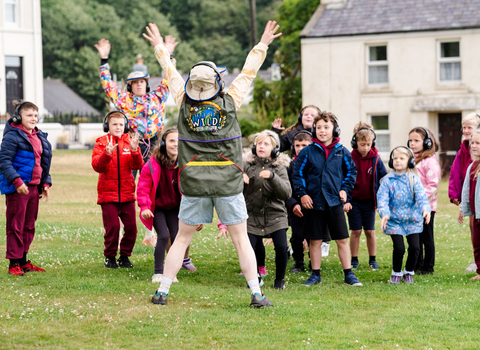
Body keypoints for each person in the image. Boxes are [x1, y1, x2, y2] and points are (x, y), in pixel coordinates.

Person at [143, 21, 281, 307]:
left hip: (193, 181)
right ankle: (256, 293)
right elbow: (248, 71)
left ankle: (162, 292)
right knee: (241, 238)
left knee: (181, 238)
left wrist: (159, 45)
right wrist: (263, 43)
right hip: (227, 181)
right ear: (217, 82)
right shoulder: (230, 100)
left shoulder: (183, 100)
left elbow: (169, 71)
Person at [95, 36, 178, 246]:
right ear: (130, 86)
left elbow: (170, 77)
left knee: (156, 185)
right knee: (128, 183)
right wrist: (104, 59)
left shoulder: (158, 96)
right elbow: (108, 85)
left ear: (146, 84)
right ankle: (124, 225)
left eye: (142, 82)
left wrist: (168, 54)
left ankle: (154, 231)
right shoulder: (124, 99)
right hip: (132, 143)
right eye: (135, 83)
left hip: (156, 144)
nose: (139, 85)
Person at [292, 111, 362, 287]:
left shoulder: (342, 152)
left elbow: (351, 172)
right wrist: (303, 194)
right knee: (314, 240)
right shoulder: (307, 152)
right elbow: (297, 174)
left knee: (341, 239)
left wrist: (345, 190)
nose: (322, 131)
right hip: (313, 202)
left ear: (335, 129)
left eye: (326, 127)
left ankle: (348, 274)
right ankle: (315, 274)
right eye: (319, 127)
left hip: (334, 202)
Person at [137, 127, 201, 283]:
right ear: (164, 144)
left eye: (179, 141)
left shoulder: (186, 164)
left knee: (178, 238)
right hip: (157, 207)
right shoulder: (152, 164)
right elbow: (143, 186)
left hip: (174, 207)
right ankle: (158, 272)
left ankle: (171, 272)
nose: (175, 144)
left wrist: (197, 215)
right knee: (164, 237)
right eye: (172, 141)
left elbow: (195, 190)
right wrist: (145, 206)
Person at [0, 100, 52, 276]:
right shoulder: (12, 136)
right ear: (18, 117)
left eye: (36, 115)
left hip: (34, 188)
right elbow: (4, 162)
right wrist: (17, 181)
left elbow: (43, 164)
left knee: (29, 225)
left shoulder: (39, 137)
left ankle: (23, 261)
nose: (33, 118)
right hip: (19, 189)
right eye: (29, 115)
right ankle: (13, 263)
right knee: (16, 225)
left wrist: (45, 183)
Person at [92, 111, 144, 268]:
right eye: (114, 124)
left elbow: (138, 165)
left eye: (121, 124)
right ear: (107, 126)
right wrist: (107, 155)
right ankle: (110, 257)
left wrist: (135, 151)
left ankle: (125, 256)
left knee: (132, 229)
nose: (118, 127)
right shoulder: (101, 142)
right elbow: (96, 166)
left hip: (127, 194)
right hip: (108, 195)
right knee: (113, 228)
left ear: (126, 126)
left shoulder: (130, 142)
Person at [242, 130, 291, 289]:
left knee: (282, 248)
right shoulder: (247, 166)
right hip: (252, 215)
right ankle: (255, 276)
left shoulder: (280, 168)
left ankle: (279, 280)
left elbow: (286, 193)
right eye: (259, 143)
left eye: (266, 144)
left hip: (275, 215)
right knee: (249, 247)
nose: (261, 146)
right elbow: (235, 191)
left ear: (275, 149)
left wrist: (272, 177)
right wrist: (239, 179)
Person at [377, 146, 431, 284]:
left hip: (412, 220)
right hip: (394, 221)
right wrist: (384, 214)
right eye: (395, 158)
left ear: (410, 161)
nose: (397, 161)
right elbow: (382, 200)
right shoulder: (387, 181)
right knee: (399, 248)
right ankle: (396, 272)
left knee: (415, 248)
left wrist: (425, 209)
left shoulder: (414, 179)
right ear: (390, 161)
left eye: (401, 158)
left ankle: (408, 271)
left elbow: (422, 197)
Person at [344, 122, 387, 271]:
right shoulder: (349, 158)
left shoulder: (376, 159)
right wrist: (346, 201)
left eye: (368, 144)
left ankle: (372, 259)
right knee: (355, 231)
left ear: (372, 143)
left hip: (369, 202)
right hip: (353, 202)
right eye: (362, 144)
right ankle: (354, 259)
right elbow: (344, 180)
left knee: (370, 231)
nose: (366, 148)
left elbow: (383, 180)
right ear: (355, 143)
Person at [449, 113, 480, 272]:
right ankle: (477, 262)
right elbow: (455, 173)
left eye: (470, 127)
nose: (466, 130)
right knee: (473, 228)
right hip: (471, 197)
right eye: (465, 127)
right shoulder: (463, 150)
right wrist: (454, 194)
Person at [408, 127, 441, 275]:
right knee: (416, 237)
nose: (412, 143)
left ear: (427, 142)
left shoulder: (430, 162)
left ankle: (428, 267)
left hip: (426, 207)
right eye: (410, 140)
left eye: (416, 140)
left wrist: (419, 199)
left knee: (426, 237)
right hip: (413, 206)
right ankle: (417, 264)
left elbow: (433, 185)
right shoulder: (412, 160)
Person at [287, 131, 313, 273]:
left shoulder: (316, 164)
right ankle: (298, 262)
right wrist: (293, 204)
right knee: (297, 236)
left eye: (304, 145)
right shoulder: (289, 166)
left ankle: (314, 262)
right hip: (295, 206)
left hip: (313, 206)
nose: (300, 148)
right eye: (297, 145)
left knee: (313, 236)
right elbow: (285, 190)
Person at [459, 128, 480, 281]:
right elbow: (466, 189)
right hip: (476, 212)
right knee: (477, 242)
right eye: (472, 142)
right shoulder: (472, 166)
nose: (473, 146)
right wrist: (463, 208)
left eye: (478, 143)